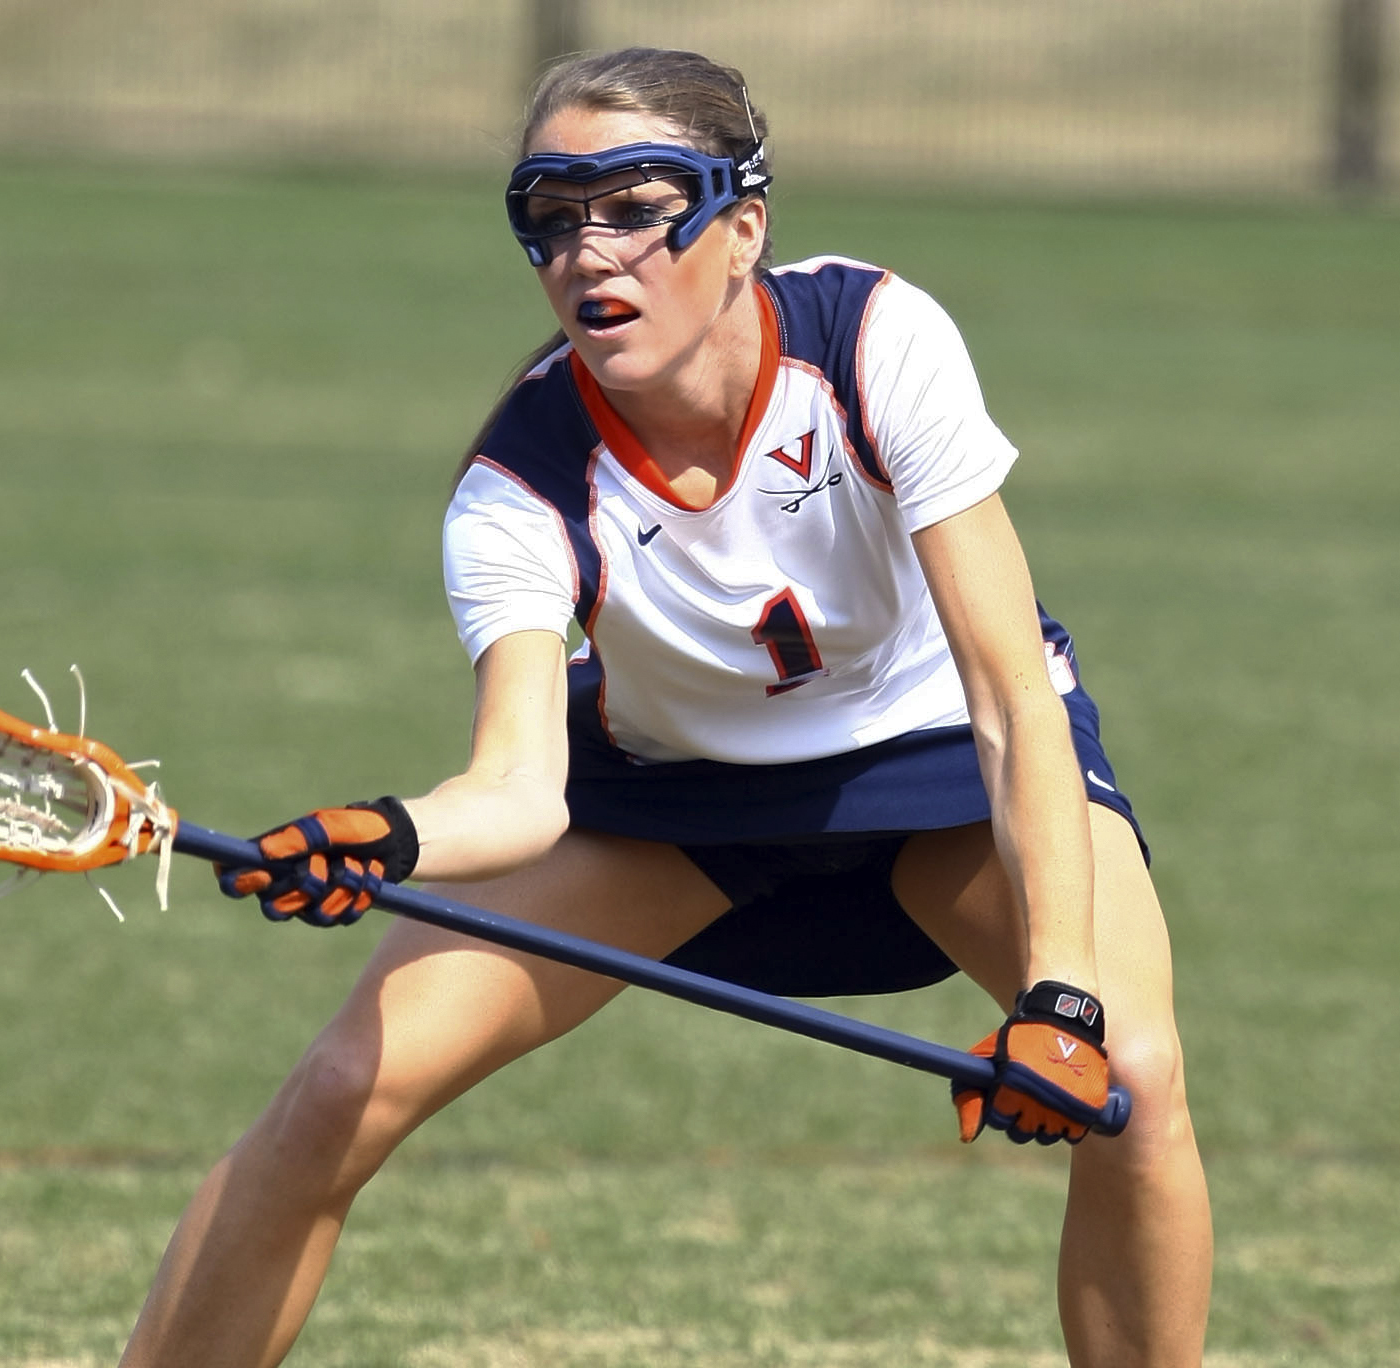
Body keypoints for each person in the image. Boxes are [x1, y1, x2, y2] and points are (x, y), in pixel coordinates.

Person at [120, 46, 1212, 1368]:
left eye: (635, 206)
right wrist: (387, 838)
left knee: (1134, 1089)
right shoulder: (517, 488)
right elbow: (520, 787)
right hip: (669, 802)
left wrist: (1063, 1001)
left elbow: (1006, 696)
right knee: (340, 1091)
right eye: (551, 215)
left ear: (741, 227)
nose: (590, 252)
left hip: (936, 769)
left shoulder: (873, 341)